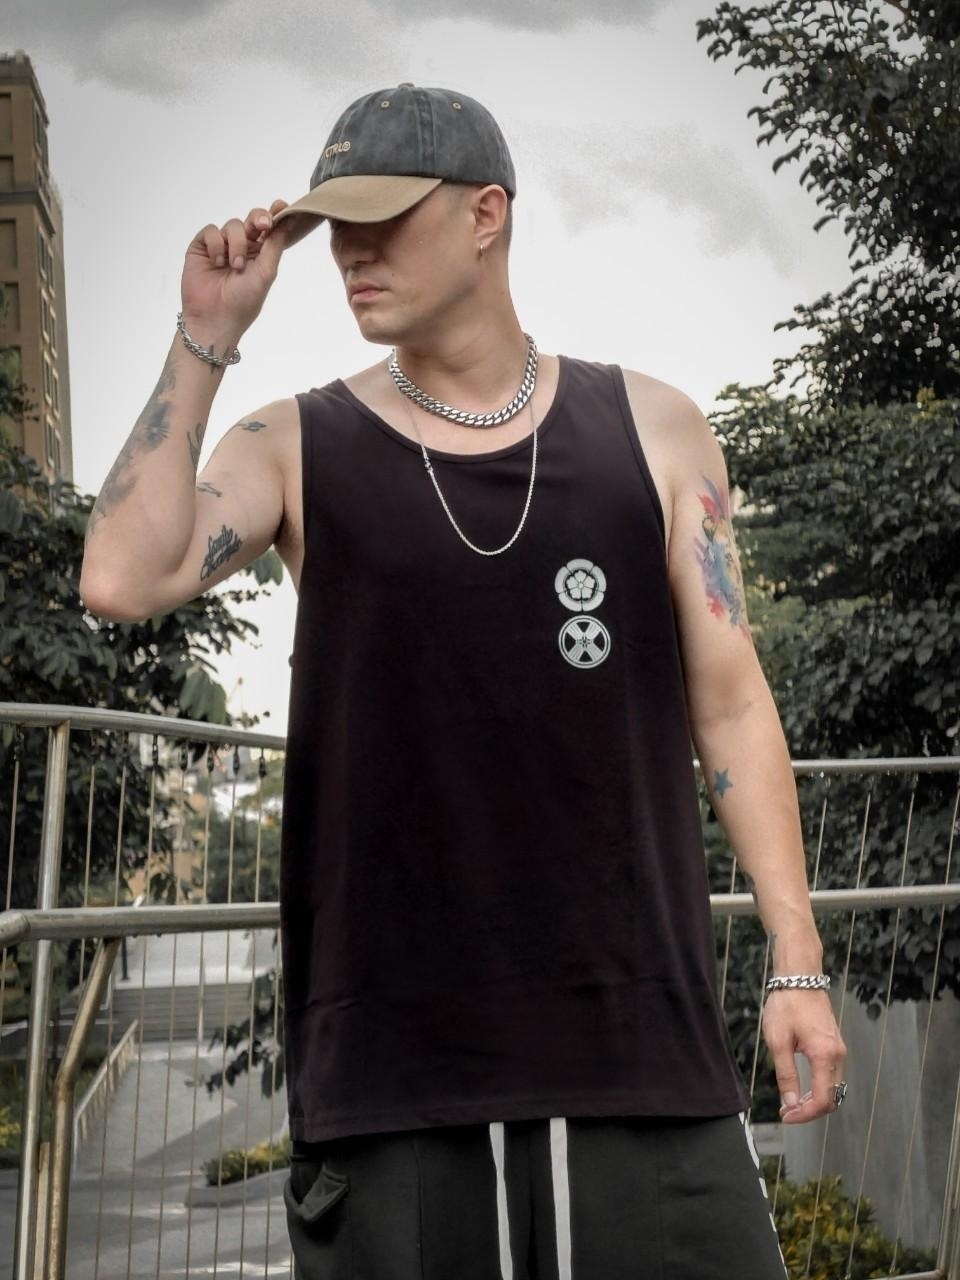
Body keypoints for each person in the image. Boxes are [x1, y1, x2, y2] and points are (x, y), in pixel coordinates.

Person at [81, 83, 846, 1280]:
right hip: (395, 1076)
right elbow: (122, 577)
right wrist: (205, 335)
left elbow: (732, 701)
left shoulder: (655, 430)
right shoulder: (296, 443)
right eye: (335, 227)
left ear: (486, 214)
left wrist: (796, 960)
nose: (351, 253)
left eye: (383, 219)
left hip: (640, 1051)